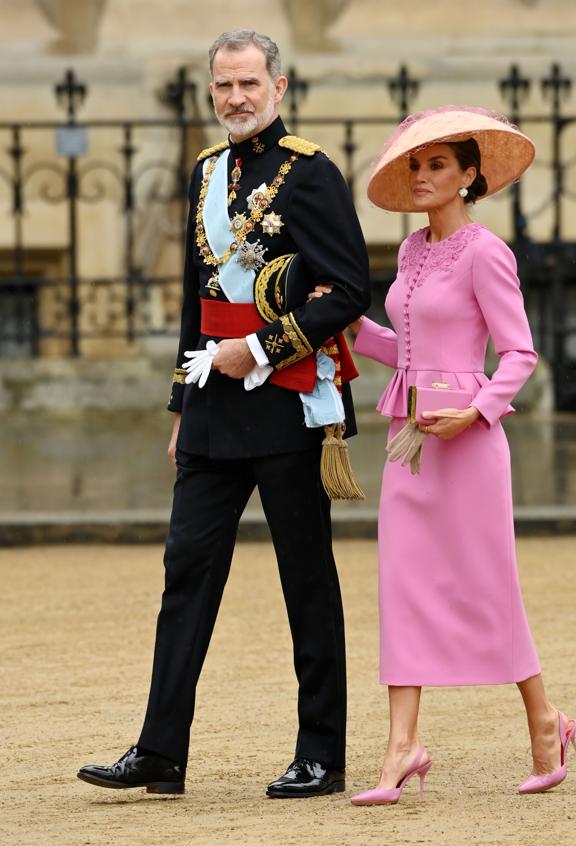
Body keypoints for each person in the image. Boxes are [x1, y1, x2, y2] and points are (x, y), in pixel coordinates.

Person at [77, 29, 370, 799]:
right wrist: (182, 402)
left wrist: (263, 349)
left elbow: (349, 290)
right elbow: (194, 302)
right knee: (185, 572)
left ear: (278, 86)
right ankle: (160, 751)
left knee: (305, 580)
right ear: (211, 90)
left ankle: (321, 754)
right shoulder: (206, 171)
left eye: (248, 83)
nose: (236, 98)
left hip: (286, 402)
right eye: (223, 85)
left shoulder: (311, 173)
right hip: (212, 408)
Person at [313, 106, 576, 805]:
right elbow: (403, 349)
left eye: (437, 165)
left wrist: (478, 411)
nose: (422, 176)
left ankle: (545, 719)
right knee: (403, 586)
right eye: (416, 165)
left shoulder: (487, 252)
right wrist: (347, 321)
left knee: (489, 585)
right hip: (409, 443)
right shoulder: (409, 251)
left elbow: (519, 353)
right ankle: (402, 747)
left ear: (468, 176)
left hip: (470, 443)